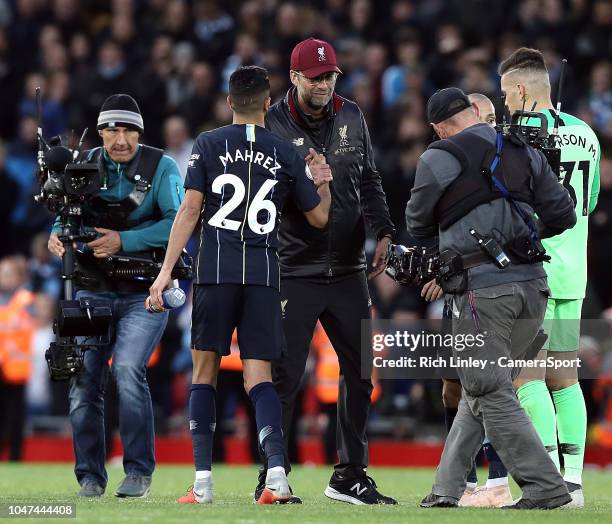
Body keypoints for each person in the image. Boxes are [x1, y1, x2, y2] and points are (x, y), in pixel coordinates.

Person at [147, 65, 332, 505]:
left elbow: (190, 210)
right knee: (259, 377)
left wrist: (165, 270)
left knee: (204, 372)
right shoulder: (287, 152)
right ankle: (276, 477)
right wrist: (322, 183)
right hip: (265, 276)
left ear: (229, 102)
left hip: (215, 273)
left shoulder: (208, 145)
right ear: (268, 103)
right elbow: (319, 219)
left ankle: (204, 483)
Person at [408, 87, 576, 510]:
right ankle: (446, 490)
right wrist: (520, 237)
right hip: (535, 287)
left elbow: (416, 221)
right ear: (472, 112)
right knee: (479, 387)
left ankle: (546, 488)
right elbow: (563, 214)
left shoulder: (437, 157)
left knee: (488, 387)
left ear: (439, 127)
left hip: (484, 292)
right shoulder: (522, 148)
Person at [255, 36, 397, 506]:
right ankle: (273, 474)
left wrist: (386, 232)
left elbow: (371, 179)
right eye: (315, 77)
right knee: (286, 375)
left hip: (349, 268)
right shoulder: (271, 123)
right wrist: (306, 188)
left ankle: (350, 474)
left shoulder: (352, 115)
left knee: (360, 374)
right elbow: (262, 200)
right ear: (294, 77)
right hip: (293, 268)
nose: (324, 84)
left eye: (330, 75)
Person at [48, 94, 184, 498]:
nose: (119, 139)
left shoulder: (162, 167)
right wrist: (56, 234)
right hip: (91, 288)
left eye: (127, 130)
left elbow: (178, 222)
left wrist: (124, 239)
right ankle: (89, 477)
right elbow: (65, 213)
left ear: (139, 133)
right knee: (82, 379)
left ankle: (138, 471)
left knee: (126, 370)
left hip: (145, 291)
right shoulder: (83, 161)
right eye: (111, 130)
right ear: (101, 131)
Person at [500, 47, 601, 509]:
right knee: (566, 378)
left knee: (527, 378)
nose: (504, 103)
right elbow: (590, 202)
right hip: (574, 272)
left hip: (534, 271)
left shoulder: (519, 138)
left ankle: (546, 485)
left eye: (505, 93)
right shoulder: (588, 134)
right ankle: (574, 483)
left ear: (521, 90)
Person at [427, 93, 513, 508]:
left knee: (490, 387)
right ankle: (465, 480)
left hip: (493, 291)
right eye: (486, 116)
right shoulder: (445, 163)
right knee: (451, 389)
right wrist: (444, 273)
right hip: (457, 289)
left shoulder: (508, 162)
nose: (490, 124)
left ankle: (498, 481)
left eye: (496, 117)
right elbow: (439, 228)